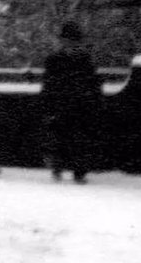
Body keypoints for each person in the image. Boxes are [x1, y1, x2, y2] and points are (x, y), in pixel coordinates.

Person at [41, 21, 101, 184]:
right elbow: (48, 84)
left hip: (80, 104)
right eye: (67, 40)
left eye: (73, 40)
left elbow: (93, 83)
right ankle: (58, 168)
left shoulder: (85, 60)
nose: (70, 43)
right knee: (59, 137)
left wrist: (93, 102)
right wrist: (47, 106)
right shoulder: (53, 59)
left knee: (80, 138)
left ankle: (79, 171)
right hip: (60, 104)